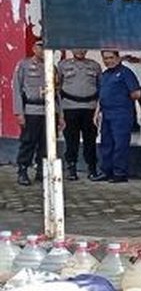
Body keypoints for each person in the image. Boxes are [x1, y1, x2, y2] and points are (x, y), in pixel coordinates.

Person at [12, 38, 61, 186]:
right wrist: (19, 112)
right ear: (34, 48)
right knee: (28, 142)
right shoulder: (24, 65)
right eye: (40, 47)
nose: (43, 50)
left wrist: (61, 115)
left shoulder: (51, 67)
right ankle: (23, 169)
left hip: (49, 111)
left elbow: (56, 93)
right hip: (31, 110)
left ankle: (42, 170)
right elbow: (17, 90)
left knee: (46, 143)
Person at [94, 50, 141, 183]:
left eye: (111, 58)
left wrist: (121, 99)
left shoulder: (125, 73)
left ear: (118, 58)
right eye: (105, 58)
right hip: (106, 114)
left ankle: (119, 172)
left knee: (120, 144)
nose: (108, 61)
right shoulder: (104, 75)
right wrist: (97, 112)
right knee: (106, 143)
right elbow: (101, 95)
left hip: (121, 114)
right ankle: (106, 171)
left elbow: (137, 93)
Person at [58, 49, 103, 181]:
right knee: (71, 140)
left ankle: (92, 168)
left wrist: (98, 110)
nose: (80, 51)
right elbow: (57, 88)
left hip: (90, 108)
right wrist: (60, 112)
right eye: (77, 48)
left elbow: (101, 87)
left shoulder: (95, 65)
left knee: (90, 140)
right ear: (72, 50)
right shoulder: (62, 65)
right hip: (69, 107)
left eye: (83, 48)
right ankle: (71, 168)